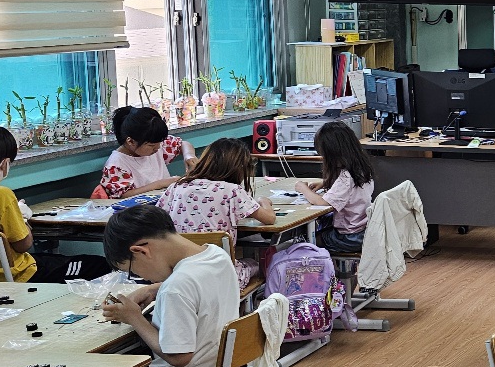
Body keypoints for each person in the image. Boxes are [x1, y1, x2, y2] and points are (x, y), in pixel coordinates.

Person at [71, 206, 239, 367]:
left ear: (141, 251)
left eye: (132, 270)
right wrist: (153, 288)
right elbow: (196, 282)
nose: (141, 277)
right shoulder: (217, 255)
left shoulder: (177, 287)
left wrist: (134, 317)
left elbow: (178, 357)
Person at [0, 124, 111, 282]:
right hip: (16, 276)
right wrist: (22, 219)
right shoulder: (1, 196)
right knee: (99, 265)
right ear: (4, 164)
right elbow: (23, 245)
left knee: (51, 259)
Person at [157, 138, 275, 290]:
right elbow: (269, 219)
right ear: (240, 168)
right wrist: (264, 201)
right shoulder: (232, 190)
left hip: (181, 274)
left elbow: (159, 217)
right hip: (221, 276)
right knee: (256, 264)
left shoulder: (177, 186)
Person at [294, 121, 374, 253]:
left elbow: (322, 202)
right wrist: (325, 182)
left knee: (307, 240)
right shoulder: (361, 168)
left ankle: (321, 264)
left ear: (333, 154)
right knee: (323, 222)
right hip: (362, 229)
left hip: (350, 237)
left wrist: (304, 189)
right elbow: (350, 190)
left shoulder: (346, 178)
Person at [97, 106, 196, 199]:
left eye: (159, 143)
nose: (158, 148)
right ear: (131, 141)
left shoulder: (155, 145)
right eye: (151, 145)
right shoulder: (116, 165)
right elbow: (123, 196)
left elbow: (183, 144)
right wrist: (160, 184)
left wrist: (188, 155)